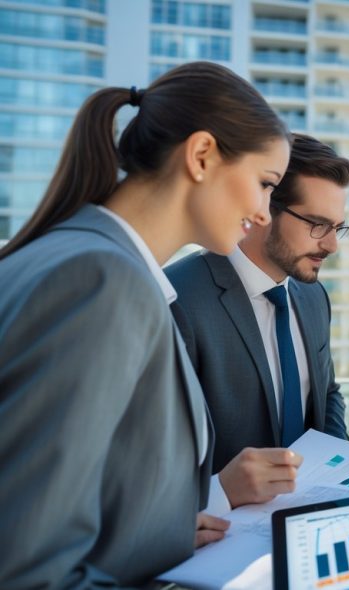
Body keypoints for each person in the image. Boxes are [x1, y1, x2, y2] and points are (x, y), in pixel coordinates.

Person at [0, 62, 290, 587]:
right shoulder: (101, 280)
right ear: (202, 155)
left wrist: (152, 533)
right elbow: (25, 570)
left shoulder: (82, 258)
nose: (265, 213)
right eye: (265, 183)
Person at [167, 133, 349, 512]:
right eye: (317, 224)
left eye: (337, 227)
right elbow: (152, 461)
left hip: (313, 518)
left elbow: (326, 393)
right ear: (261, 209)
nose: (332, 245)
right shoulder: (176, 299)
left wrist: (343, 471)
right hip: (220, 535)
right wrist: (220, 491)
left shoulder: (313, 296)